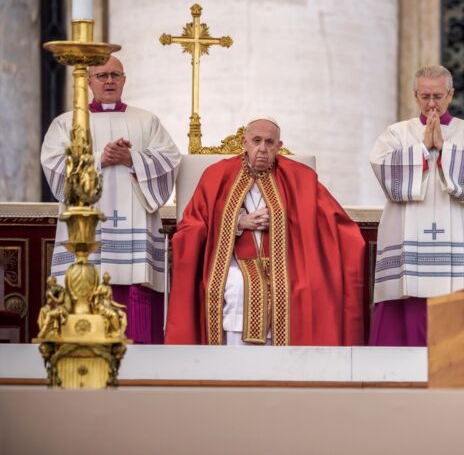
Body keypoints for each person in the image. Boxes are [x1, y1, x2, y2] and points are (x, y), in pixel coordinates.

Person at [165, 118, 365, 346]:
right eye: (256, 141)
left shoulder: (300, 177)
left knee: (301, 288)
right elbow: (193, 223)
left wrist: (286, 222)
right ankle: (233, 359)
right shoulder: (217, 175)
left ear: (279, 146)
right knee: (238, 286)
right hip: (232, 261)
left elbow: (329, 219)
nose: (262, 149)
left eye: (269, 143)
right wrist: (237, 222)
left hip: (288, 262)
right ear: (245, 142)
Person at [41, 55, 180, 344]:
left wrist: (133, 159)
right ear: (88, 81)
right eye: (102, 75)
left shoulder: (147, 121)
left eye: (115, 75)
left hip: (135, 227)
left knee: (135, 288)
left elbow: (170, 161)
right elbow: (53, 165)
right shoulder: (66, 124)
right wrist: (99, 159)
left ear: (124, 80)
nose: (109, 81)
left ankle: (142, 365)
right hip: (86, 228)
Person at [368, 65, 464, 346]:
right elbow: (384, 171)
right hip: (408, 240)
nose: (431, 104)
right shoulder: (396, 134)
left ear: (451, 95)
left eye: (438, 96)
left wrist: (444, 150)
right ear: (415, 95)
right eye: (425, 96)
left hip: (455, 240)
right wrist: (424, 150)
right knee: (406, 296)